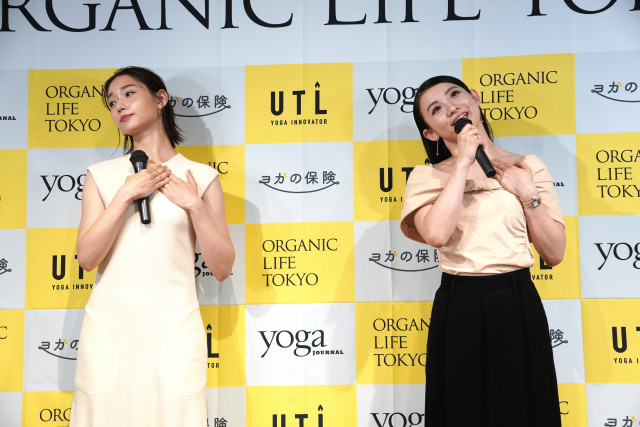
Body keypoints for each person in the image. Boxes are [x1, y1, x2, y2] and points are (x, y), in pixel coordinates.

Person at [70, 66, 235, 426]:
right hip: (109, 328)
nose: (119, 106)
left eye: (129, 94)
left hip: (175, 329)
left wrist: (193, 204)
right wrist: (125, 194)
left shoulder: (201, 177)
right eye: (111, 102)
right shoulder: (101, 175)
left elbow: (222, 267)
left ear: (160, 99)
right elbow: (87, 257)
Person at [400, 75, 565, 427]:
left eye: (455, 95)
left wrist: (528, 195)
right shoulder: (426, 177)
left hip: (516, 299)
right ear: (430, 133)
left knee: (524, 409)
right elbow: (437, 234)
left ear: (474, 98)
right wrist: (462, 163)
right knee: (463, 412)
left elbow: (554, 253)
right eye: (437, 109)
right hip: (460, 304)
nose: (451, 108)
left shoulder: (526, 166)